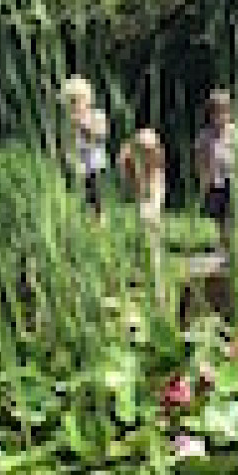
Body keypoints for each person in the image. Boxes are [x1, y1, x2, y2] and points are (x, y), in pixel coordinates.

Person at [194, 89, 238, 255]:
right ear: (210, 114)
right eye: (215, 112)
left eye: (223, 112)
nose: (219, 117)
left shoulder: (236, 133)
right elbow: (199, 155)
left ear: (229, 112)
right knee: (217, 212)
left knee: (230, 211)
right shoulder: (205, 134)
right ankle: (222, 239)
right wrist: (202, 175)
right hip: (213, 178)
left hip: (232, 178)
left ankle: (229, 241)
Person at [118, 128, 167, 304]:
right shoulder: (130, 164)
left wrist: (150, 213)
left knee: (151, 245)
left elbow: (154, 196)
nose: (147, 154)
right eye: (142, 150)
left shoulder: (157, 169)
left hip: (150, 208)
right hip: (141, 206)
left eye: (149, 150)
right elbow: (126, 178)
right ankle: (140, 280)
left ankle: (157, 292)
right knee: (143, 243)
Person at [60, 75, 108, 220]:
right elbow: (66, 141)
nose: (75, 105)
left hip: (93, 163)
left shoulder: (96, 115)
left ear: (87, 99)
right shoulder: (68, 120)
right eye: (71, 101)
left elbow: (101, 134)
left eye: (77, 100)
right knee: (73, 194)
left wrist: (82, 125)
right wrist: (63, 154)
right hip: (75, 162)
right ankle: (77, 220)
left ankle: (98, 222)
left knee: (94, 194)